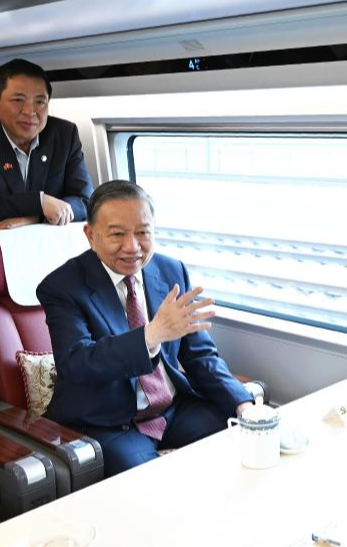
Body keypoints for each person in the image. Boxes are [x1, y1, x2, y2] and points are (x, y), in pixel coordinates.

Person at [36, 180, 254, 476]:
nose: (132, 247)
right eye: (117, 234)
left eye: (142, 232)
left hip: (172, 409)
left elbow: (200, 355)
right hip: (108, 420)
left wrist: (243, 404)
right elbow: (77, 363)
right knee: (149, 480)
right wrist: (151, 335)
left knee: (239, 440)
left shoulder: (171, 270)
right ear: (91, 235)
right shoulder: (62, 286)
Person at [0, 58, 93, 231]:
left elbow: (85, 201)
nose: (30, 112)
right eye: (18, 100)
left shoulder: (65, 135)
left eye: (40, 102)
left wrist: (35, 217)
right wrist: (38, 202)